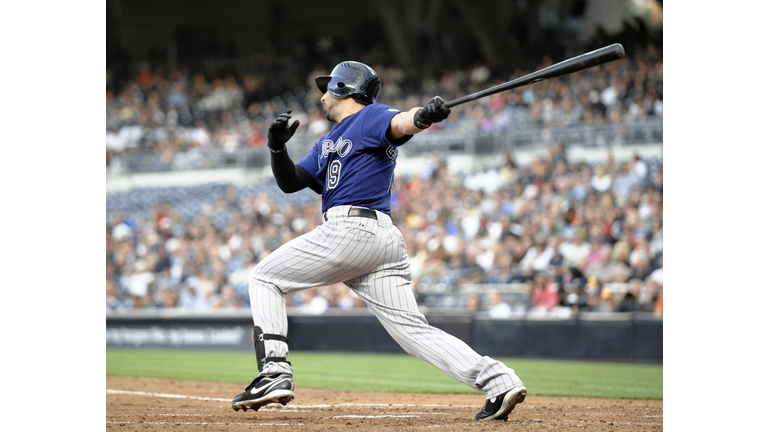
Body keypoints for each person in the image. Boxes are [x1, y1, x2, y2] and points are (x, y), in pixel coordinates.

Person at [231, 61, 526, 421]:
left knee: (264, 277)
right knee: (412, 331)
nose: (322, 96)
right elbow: (291, 182)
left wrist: (423, 116)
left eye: (328, 88)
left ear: (345, 88)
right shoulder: (328, 141)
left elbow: (401, 123)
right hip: (380, 241)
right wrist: (276, 148)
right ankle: (498, 380)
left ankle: (274, 372)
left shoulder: (370, 116)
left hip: (352, 230)